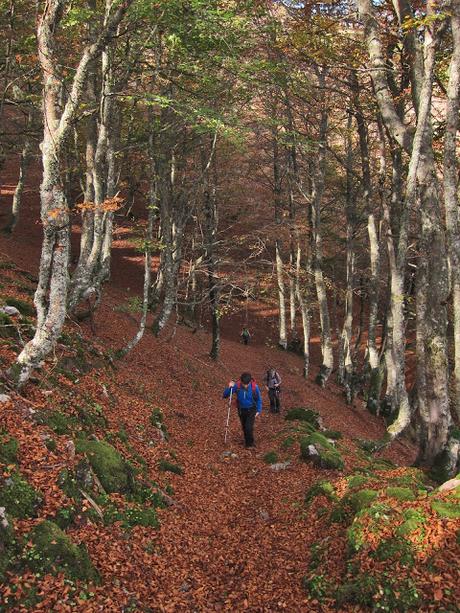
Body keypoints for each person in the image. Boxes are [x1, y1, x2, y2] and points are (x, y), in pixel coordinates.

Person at [223, 372, 262, 448]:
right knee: (244, 427)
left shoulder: (255, 387)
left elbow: (259, 400)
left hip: (251, 409)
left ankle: (249, 444)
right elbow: (225, 395)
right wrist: (229, 387)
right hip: (241, 409)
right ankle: (247, 440)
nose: (245, 385)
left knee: (248, 427)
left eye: (247, 384)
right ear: (241, 381)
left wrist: (258, 410)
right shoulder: (237, 386)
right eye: (244, 384)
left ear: (250, 381)